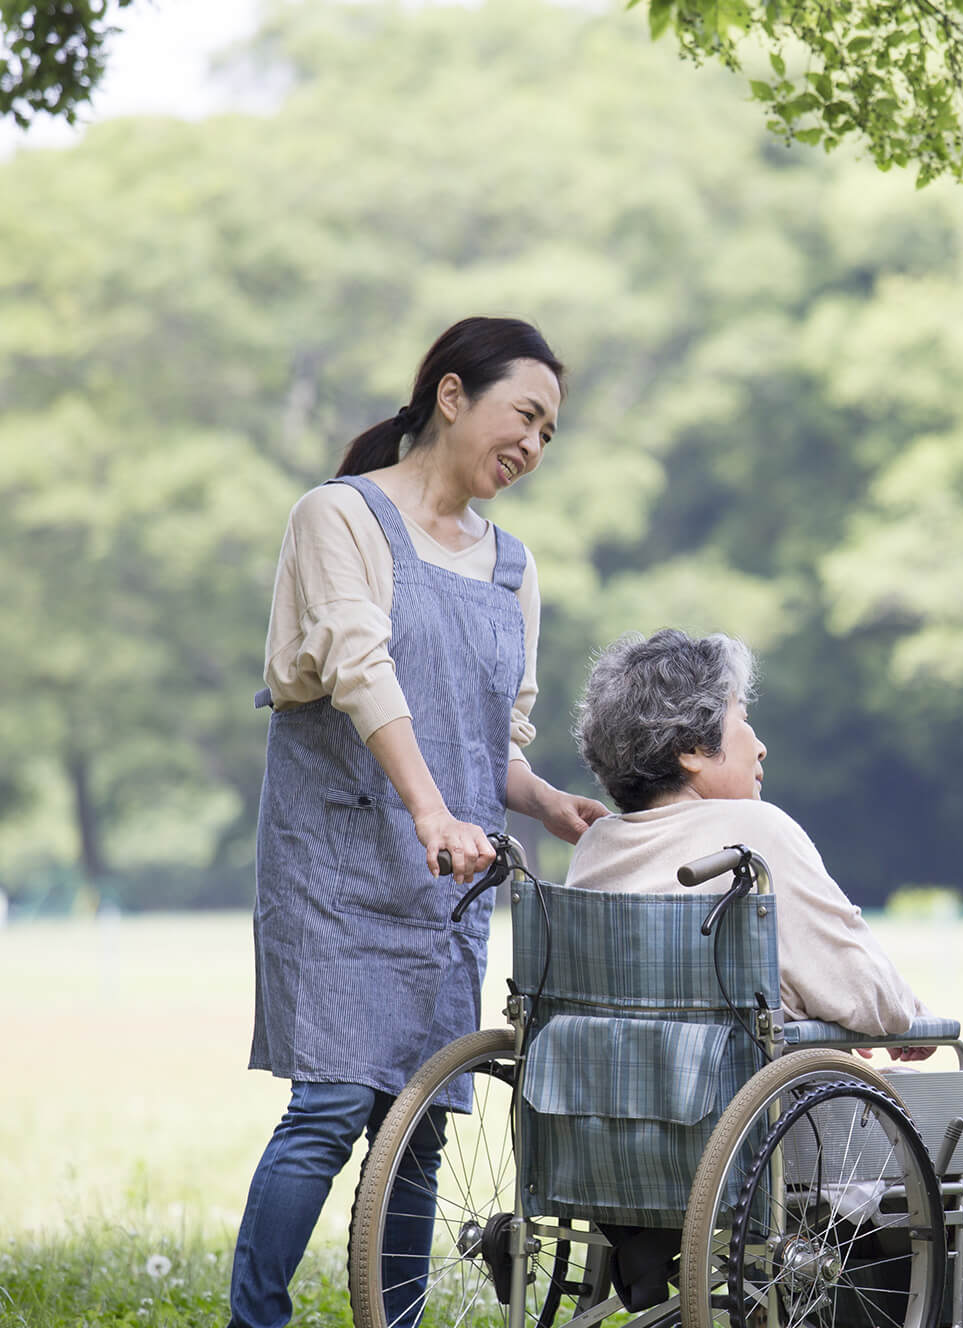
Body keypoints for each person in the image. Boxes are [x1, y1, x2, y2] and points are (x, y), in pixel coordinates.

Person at [232, 317, 610, 1328]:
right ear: (452, 395)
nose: (532, 445)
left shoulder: (510, 566)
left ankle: (387, 1320)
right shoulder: (339, 517)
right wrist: (432, 808)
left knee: (421, 1127)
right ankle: (252, 1318)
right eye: (523, 415)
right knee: (331, 1106)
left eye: (548, 434)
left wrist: (545, 799)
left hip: (447, 874)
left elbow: (494, 733)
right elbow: (360, 668)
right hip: (340, 859)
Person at [565, 626, 935, 1308]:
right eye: (743, 719)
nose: (761, 744)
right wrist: (906, 1018)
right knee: (942, 1124)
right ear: (692, 750)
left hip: (603, 1147)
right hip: (742, 1149)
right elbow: (868, 998)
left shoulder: (596, 849)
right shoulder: (755, 836)